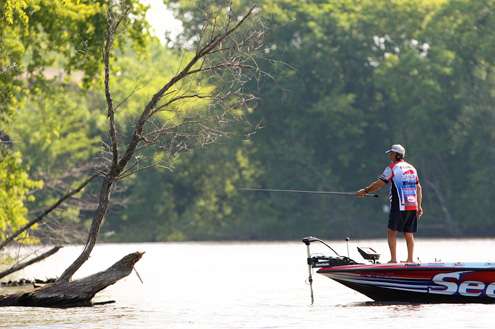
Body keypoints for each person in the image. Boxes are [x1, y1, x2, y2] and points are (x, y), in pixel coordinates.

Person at [356, 144, 423, 263]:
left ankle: (393, 260)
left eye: (391, 153)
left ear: (398, 155)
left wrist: (365, 191)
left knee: (391, 231)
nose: (390, 155)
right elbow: (418, 187)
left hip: (399, 205)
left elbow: (380, 183)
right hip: (412, 205)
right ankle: (410, 259)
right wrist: (419, 205)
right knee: (409, 233)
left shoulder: (392, 167)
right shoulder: (412, 168)